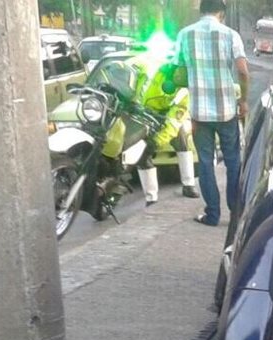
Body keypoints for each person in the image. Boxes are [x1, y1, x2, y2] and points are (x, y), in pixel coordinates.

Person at [176, 0, 250, 226]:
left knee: (206, 163)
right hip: (227, 110)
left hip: (199, 113)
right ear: (221, 13)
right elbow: (243, 72)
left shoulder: (185, 35)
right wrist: (243, 101)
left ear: (201, 11)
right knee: (233, 162)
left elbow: (179, 74)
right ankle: (236, 214)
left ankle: (212, 214)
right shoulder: (230, 35)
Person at [97, 57, 200, 207]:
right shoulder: (149, 67)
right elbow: (124, 73)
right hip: (137, 113)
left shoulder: (184, 93)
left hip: (163, 118)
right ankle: (151, 198)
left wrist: (156, 141)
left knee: (181, 139)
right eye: (180, 72)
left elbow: (173, 123)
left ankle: (188, 184)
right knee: (141, 153)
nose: (182, 78)